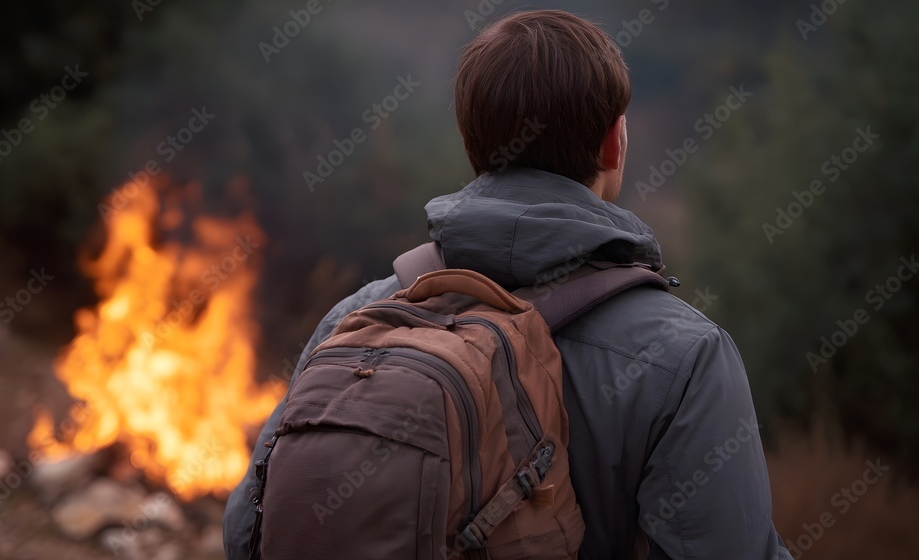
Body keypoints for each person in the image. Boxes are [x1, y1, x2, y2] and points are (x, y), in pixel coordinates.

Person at [225, 9, 793, 560]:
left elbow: (245, 532)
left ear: (472, 144)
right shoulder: (686, 356)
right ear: (613, 143)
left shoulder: (357, 318)